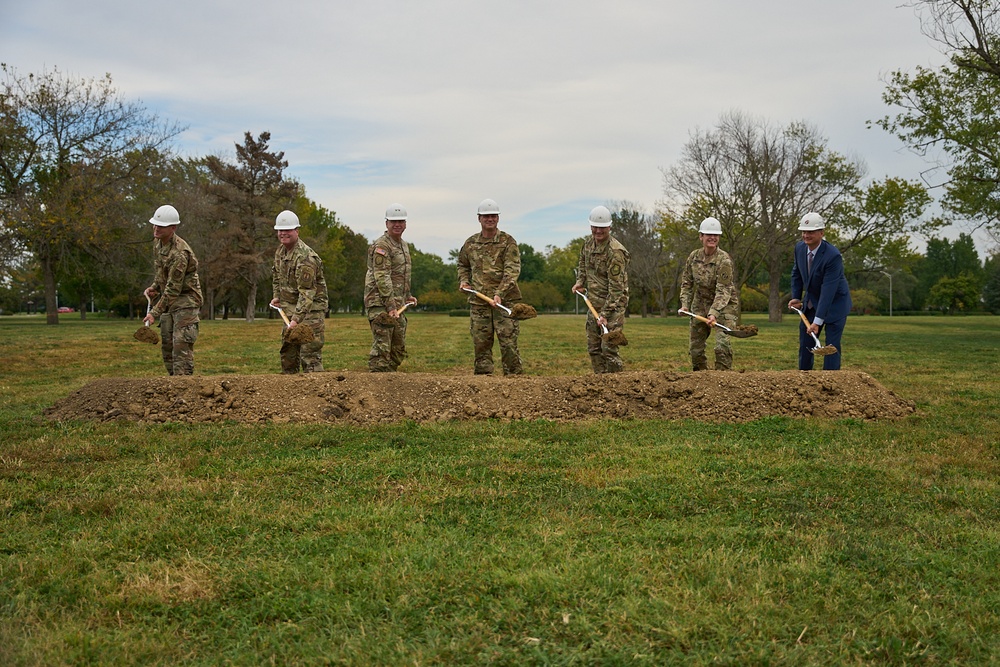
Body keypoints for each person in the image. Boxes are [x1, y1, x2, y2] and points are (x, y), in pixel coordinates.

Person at [457, 199, 523, 375]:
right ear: (479, 218)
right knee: (481, 345)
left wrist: (500, 293)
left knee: (509, 344)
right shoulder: (470, 244)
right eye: (486, 216)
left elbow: (512, 270)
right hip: (479, 303)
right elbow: (462, 265)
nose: (490, 219)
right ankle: (483, 384)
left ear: (498, 218)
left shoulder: (508, 242)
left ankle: (515, 381)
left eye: (493, 216)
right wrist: (464, 281)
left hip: (504, 303)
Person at [143, 204, 204, 376]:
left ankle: (184, 389)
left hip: (186, 302)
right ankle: (172, 387)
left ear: (173, 228)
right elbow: (161, 272)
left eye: (160, 226)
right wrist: (154, 287)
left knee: (180, 348)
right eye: (154, 224)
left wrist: (154, 313)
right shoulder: (158, 244)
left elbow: (173, 289)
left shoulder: (180, 253)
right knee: (168, 347)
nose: (156, 228)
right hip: (170, 302)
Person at [788, 211, 852, 370]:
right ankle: (804, 380)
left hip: (835, 304)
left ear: (821, 233)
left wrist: (817, 322)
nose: (806, 235)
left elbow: (828, 290)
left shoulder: (833, 256)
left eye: (810, 232)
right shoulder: (800, 248)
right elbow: (796, 273)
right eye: (803, 231)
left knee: (831, 348)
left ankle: (830, 385)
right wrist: (796, 297)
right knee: (805, 345)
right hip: (811, 302)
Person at [571, 206, 630, 373]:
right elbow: (583, 265)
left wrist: (605, 314)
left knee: (608, 348)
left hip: (614, 305)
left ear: (609, 227)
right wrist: (580, 282)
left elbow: (617, 289)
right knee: (594, 347)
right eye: (595, 227)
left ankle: (617, 383)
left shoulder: (616, 252)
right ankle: (600, 383)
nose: (598, 231)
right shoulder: (587, 245)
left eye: (602, 227)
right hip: (594, 302)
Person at [269, 210, 328, 373]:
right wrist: (277, 296)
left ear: (297, 231)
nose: (283, 234)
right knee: (288, 353)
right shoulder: (280, 252)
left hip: (310, 311)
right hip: (290, 309)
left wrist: (295, 320)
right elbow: (276, 275)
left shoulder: (305, 258)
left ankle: (317, 393)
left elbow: (307, 293)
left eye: (288, 230)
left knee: (309, 353)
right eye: (280, 230)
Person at [678, 217, 739, 371]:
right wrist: (685, 305)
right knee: (695, 350)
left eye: (715, 235)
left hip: (724, 306)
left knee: (721, 347)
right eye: (708, 234)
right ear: (701, 236)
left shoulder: (724, 260)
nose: (712, 238)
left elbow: (723, 290)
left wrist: (714, 313)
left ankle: (723, 381)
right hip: (700, 303)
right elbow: (687, 283)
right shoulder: (693, 257)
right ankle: (701, 380)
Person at [364, 203, 418, 372]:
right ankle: (377, 382)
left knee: (398, 348)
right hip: (380, 303)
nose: (397, 224)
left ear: (406, 224)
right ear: (386, 223)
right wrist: (390, 305)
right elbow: (382, 276)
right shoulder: (382, 246)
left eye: (401, 221)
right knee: (382, 347)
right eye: (393, 221)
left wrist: (406, 295)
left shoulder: (403, 245)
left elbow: (401, 275)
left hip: (397, 303)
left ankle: (389, 381)